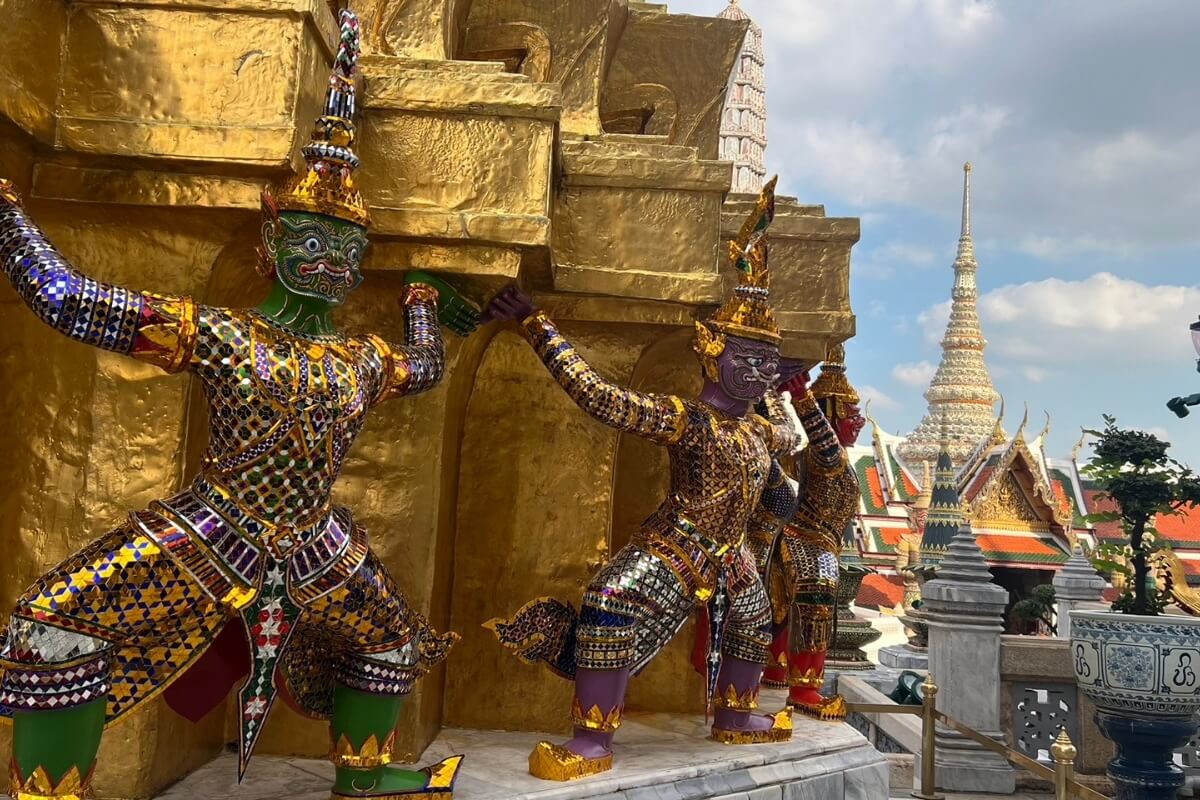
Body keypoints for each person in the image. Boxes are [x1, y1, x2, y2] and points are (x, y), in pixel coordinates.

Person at [0, 12, 475, 799]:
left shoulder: (360, 359)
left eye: (347, 254)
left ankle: (362, 778)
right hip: (217, 528)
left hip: (317, 541)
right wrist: (10, 216)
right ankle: (50, 790)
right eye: (311, 245)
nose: (328, 265)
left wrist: (423, 302)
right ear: (272, 243)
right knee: (52, 622)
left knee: (393, 635)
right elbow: (70, 300)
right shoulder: (219, 334)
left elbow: (424, 366)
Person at [484, 180, 798, 782]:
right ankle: (593, 736)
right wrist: (536, 327)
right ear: (712, 353)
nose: (758, 375)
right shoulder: (689, 420)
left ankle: (735, 715)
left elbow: (789, 453)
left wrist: (790, 404)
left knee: (753, 620)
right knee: (610, 602)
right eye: (747, 360)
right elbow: (602, 398)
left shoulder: (763, 433)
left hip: (732, 557)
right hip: (676, 546)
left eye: (767, 365)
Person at [746, 346, 865, 719]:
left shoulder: (821, 458)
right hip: (810, 546)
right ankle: (805, 690)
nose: (859, 420)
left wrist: (772, 399)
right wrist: (800, 394)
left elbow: (783, 457)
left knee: (784, 612)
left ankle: (777, 669)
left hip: (805, 541)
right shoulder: (826, 454)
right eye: (851, 413)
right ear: (833, 416)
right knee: (812, 615)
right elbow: (816, 429)